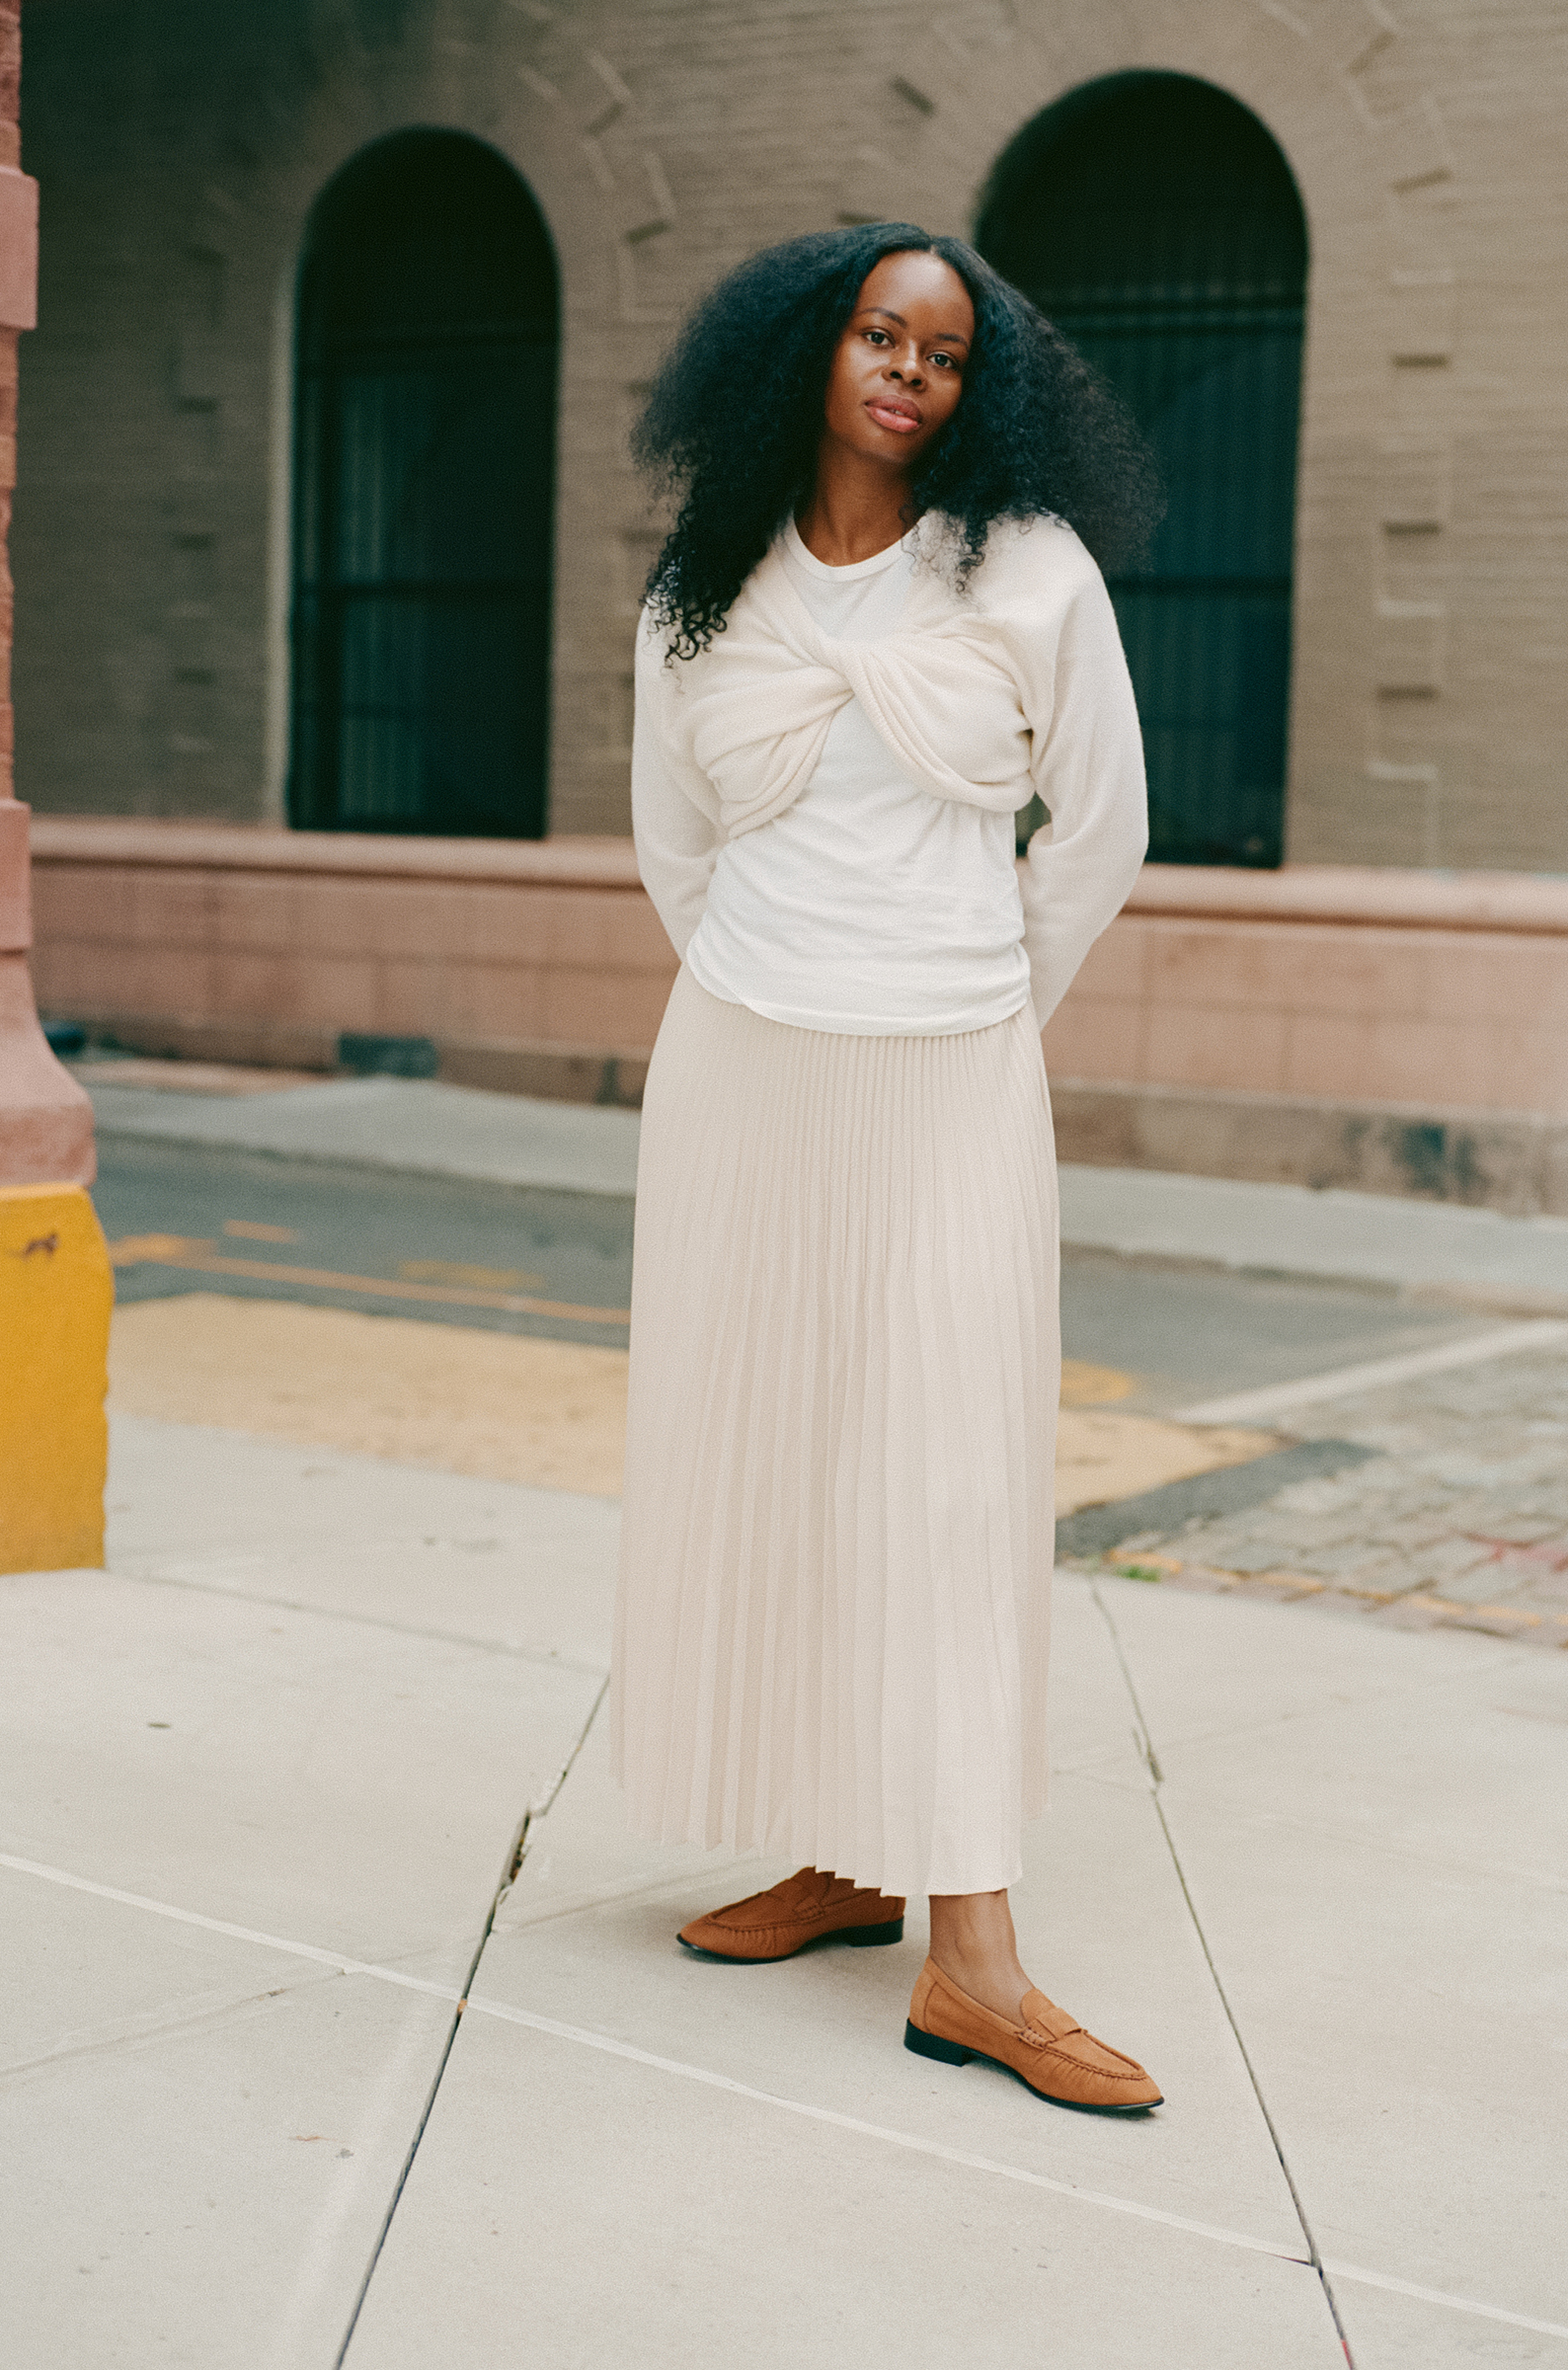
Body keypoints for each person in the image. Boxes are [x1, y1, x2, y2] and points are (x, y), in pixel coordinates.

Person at [613, 223, 1162, 2115]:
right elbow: (674, 840)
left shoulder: (1028, 569)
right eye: (877, 336)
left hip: (949, 1071)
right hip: (745, 1072)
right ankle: (844, 1855)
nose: (907, 375)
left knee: (945, 1485)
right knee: (781, 1452)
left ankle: (976, 1960)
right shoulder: (707, 583)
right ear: (806, 353)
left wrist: (983, 995)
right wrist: (772, 989)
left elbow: (1097, 828)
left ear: (979, 386)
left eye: (942, 352)